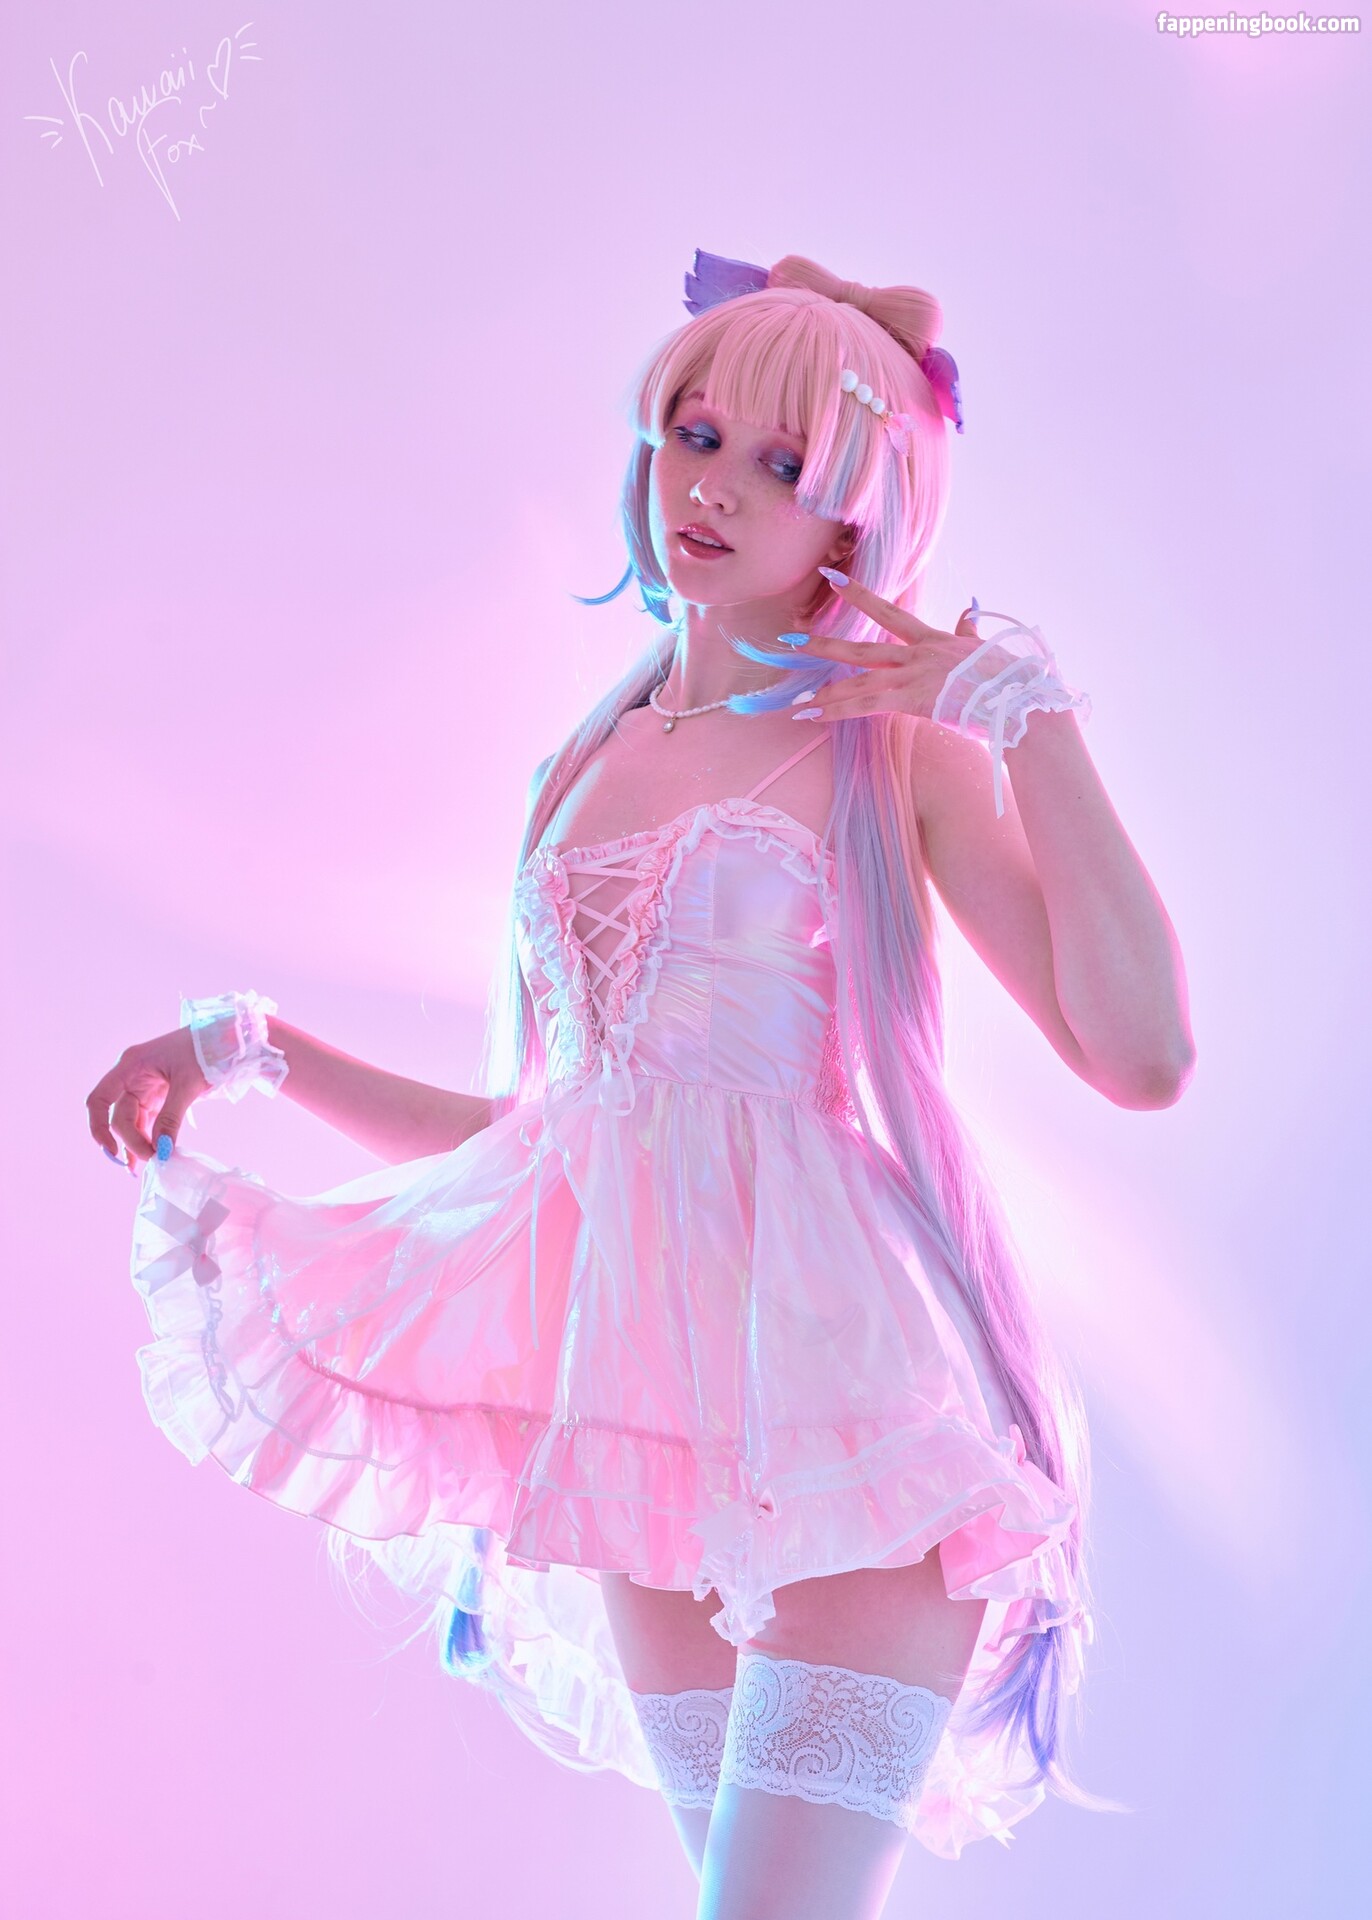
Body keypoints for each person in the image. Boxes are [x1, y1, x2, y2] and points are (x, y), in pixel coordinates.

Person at [87, 250, 1195, 1919]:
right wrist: (251, 1046)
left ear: (855, 517)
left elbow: (1144, 1056)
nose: (716, 488)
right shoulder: (583, 764)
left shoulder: (891, 754)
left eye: (784, 465)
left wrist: (1030, 722)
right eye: (696, 434)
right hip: (643, 1427)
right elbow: (551, 1147)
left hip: (853, 1417)